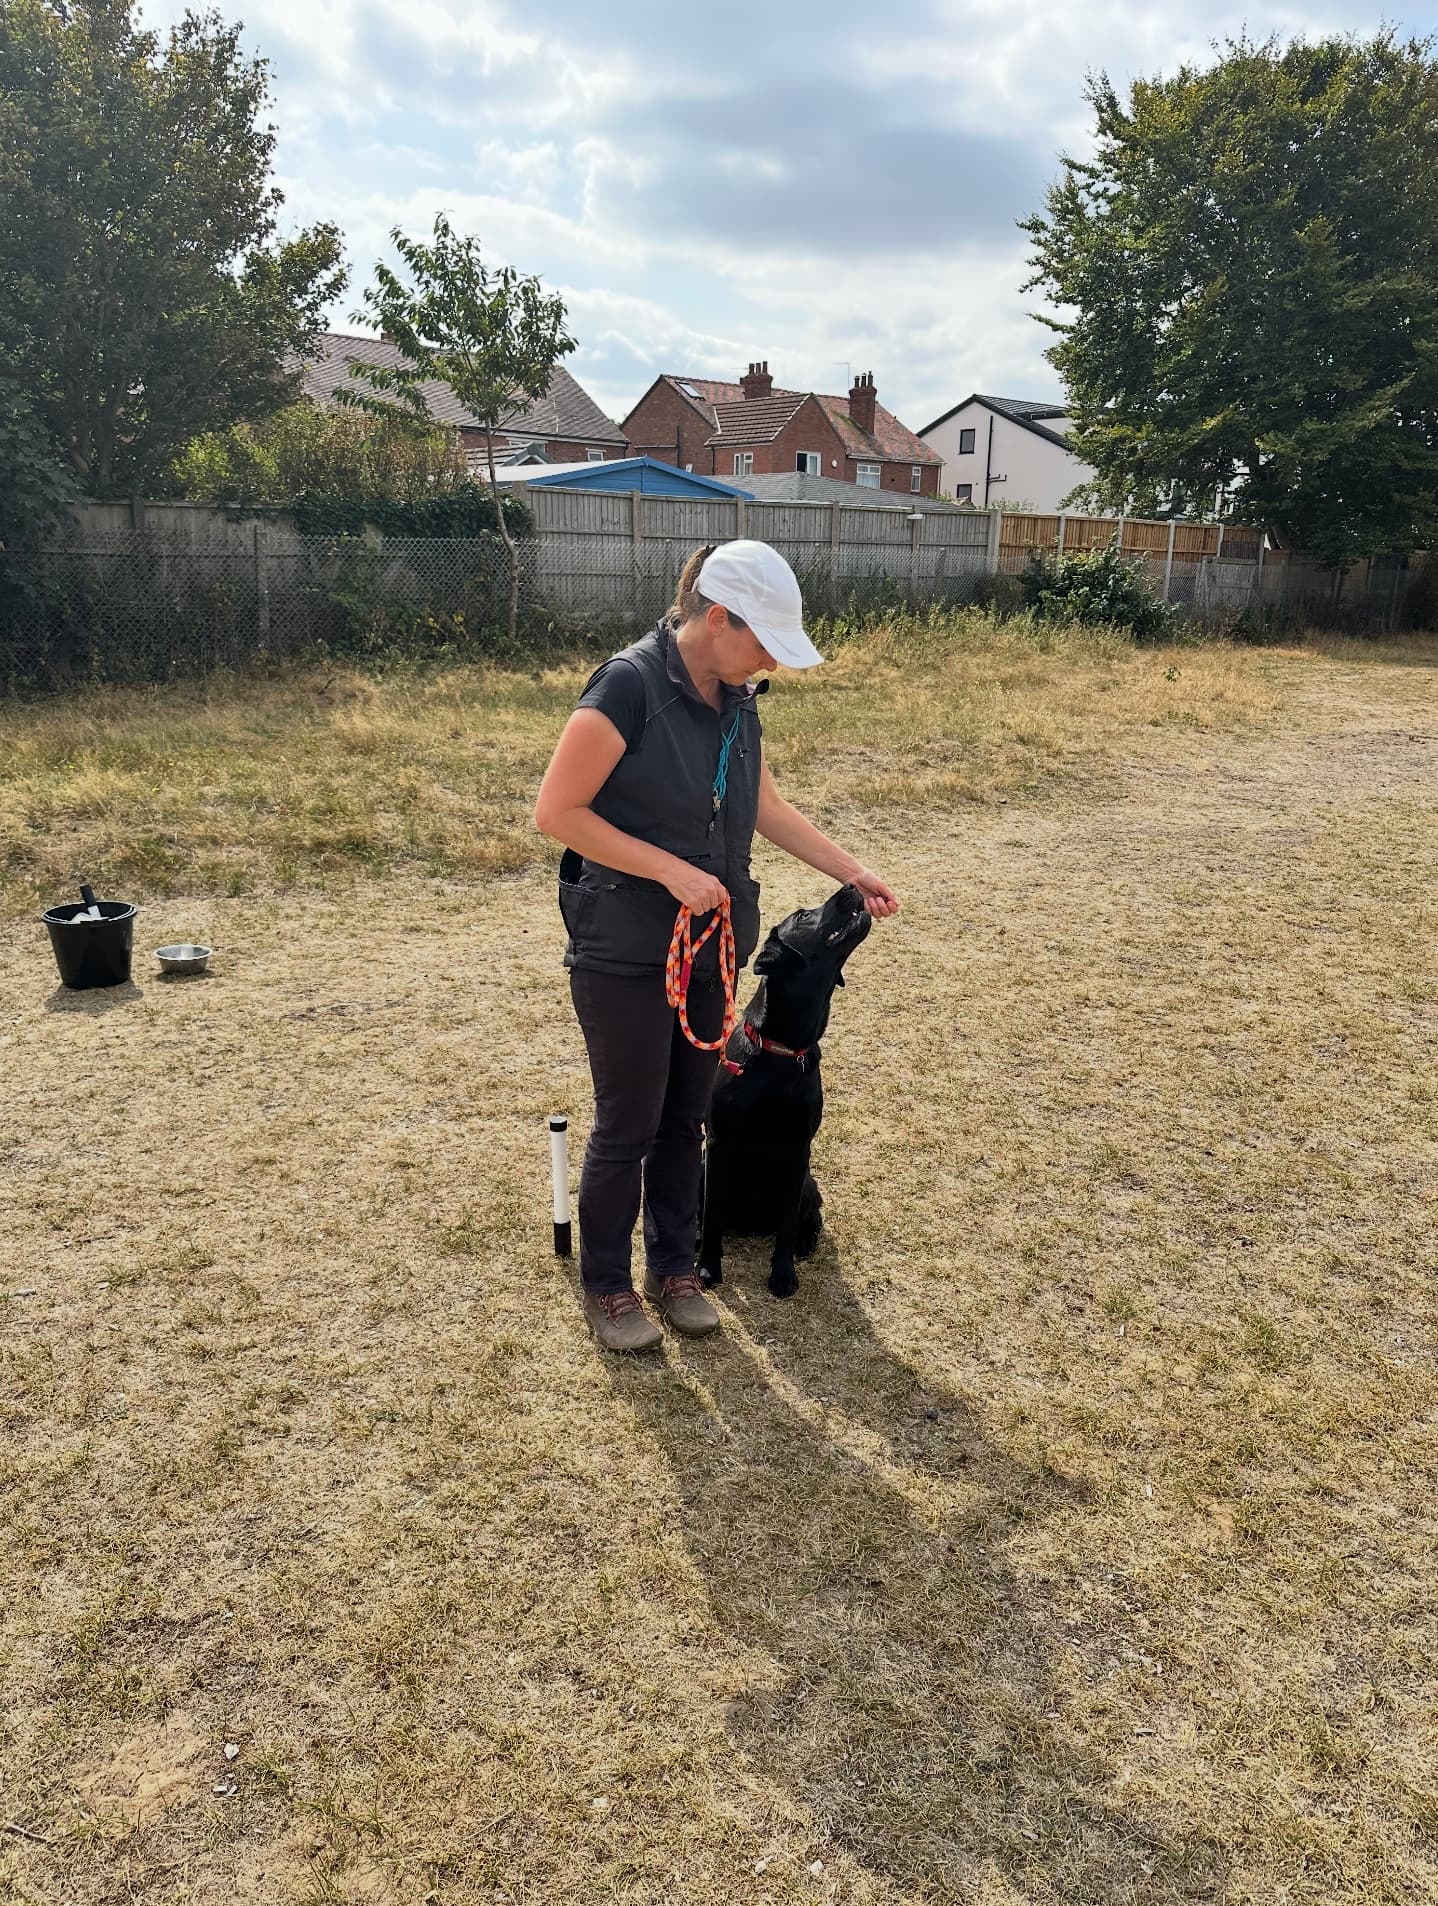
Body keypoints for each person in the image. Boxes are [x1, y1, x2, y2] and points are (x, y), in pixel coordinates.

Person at [534, 540, 899, 1353]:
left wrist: (853, 871)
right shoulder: (628, 686)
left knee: (686, 1117)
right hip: (626, 944)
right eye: (762, 642)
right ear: (716, 617)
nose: (768, 662)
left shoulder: (740, 697)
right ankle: (608, 1287)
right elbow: (559, 812)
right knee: (628, 1122)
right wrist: (671, 872)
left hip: (714, 940)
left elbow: (763, 804)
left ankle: (674, 1270)